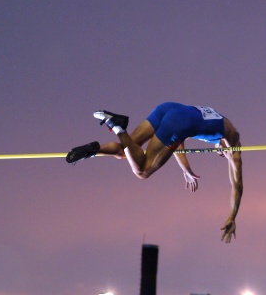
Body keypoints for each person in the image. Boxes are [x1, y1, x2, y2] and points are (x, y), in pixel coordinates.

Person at [67, 102, 243, 243]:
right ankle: (117, 127)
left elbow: (181, 138)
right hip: (179, 122)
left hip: (168, 108)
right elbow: (237, 184)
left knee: (125, 150)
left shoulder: (218, 119)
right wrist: (232, 217)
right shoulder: (233, 144)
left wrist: (186, 170)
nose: (222, 154)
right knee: (143, 171)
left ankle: (93, 150)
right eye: (222, 153)